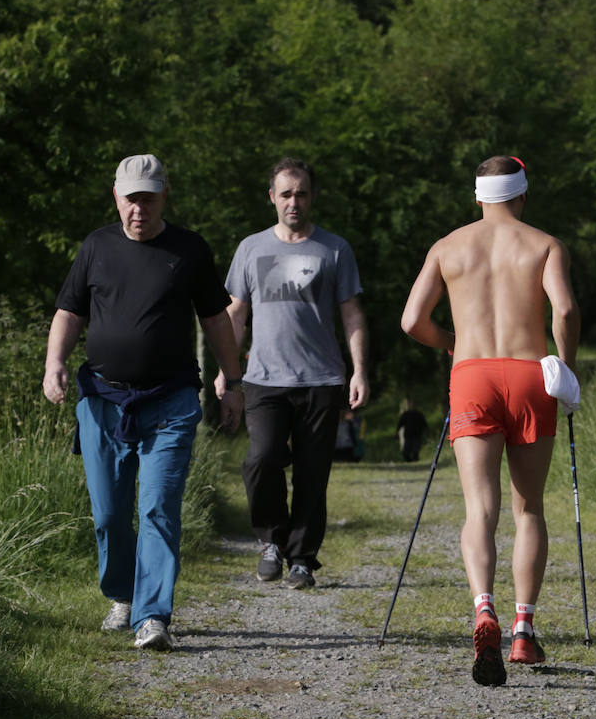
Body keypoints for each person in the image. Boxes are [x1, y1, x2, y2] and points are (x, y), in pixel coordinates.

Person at [43, 153, 245, 651]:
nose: (139, 209)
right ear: (117, 196)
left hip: (171, 402)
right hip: (103, 402)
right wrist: (55, 363)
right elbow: (69, 311)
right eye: (131, 199)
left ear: (163, 197)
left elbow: (216, 319)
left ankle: (153, 615)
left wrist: (232, 379)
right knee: (109, 514)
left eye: (148, 199)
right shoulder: (96, 247)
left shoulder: (189, 250)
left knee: (158, 507)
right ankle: (123, 595)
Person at [400, 155, 580, 686]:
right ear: (522, 195)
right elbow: (564, 311)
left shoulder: (447, 247)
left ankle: (484, 609)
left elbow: (412, 320)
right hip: (529, 374)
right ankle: (524, 629)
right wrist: (564, 369)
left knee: (480, 508)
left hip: (472, 373)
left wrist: (452, 343)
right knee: (529, 510)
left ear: (478, 196)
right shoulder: (545, 244)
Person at [215, 158, 369, 591]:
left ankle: (302, 558)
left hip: (322, 379)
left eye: (301, 193)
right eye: (285, 194)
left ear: (312, 196)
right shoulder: (251, 249)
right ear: (272, 198)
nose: (293, 202)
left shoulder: (334, 249)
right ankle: (271, 540)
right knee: (260, 459)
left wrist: (358, 371)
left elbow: (352, 314)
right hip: (264, 377)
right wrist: (229, 371)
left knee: (312, 472)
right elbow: (236, 313)